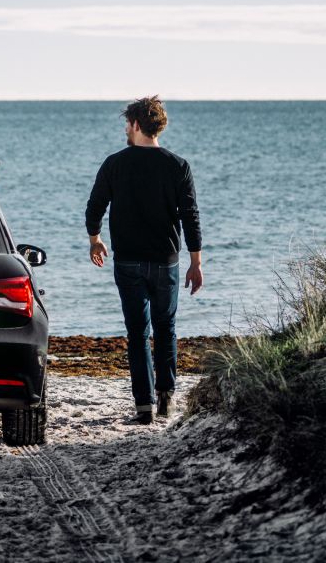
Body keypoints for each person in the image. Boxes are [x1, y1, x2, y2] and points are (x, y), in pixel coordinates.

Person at [85, 95, 203, 424]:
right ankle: (166, 399)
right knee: (166, 328)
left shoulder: (115, 164)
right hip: (166, 260)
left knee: (137, 332)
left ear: (137, 125)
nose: (125, 128)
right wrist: (196, 262)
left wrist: (95, 241)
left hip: (128, 262)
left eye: (127, 123)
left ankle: (143, 406)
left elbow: (94, 208)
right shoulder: (178, 165)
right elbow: (191, 217)